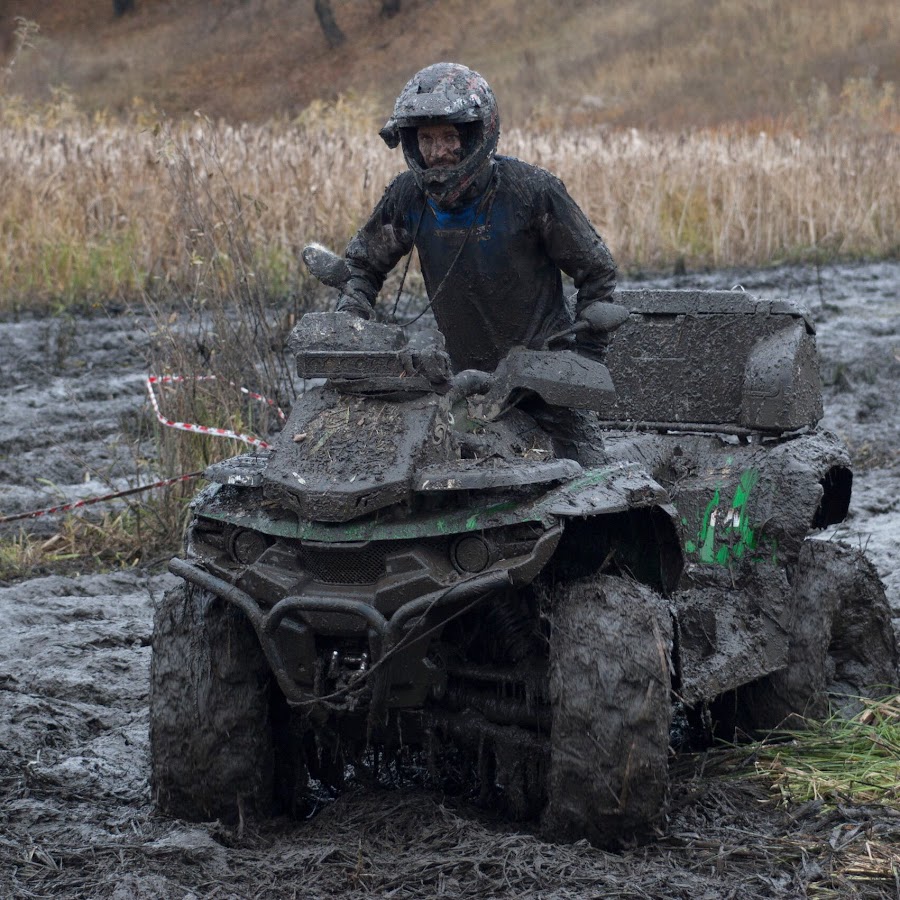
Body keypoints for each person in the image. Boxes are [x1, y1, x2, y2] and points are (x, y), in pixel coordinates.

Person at [338, 62, 617, 462]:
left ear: (474, 135)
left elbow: (598, 270)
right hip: (464, 385)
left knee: (591, 486)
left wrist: (586, 359)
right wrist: (351, 320)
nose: (438, 152)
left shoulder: (531, 193)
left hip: (545, 383)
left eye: (450, 136)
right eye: (426, 139)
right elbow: (362, 266)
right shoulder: (408, 197)